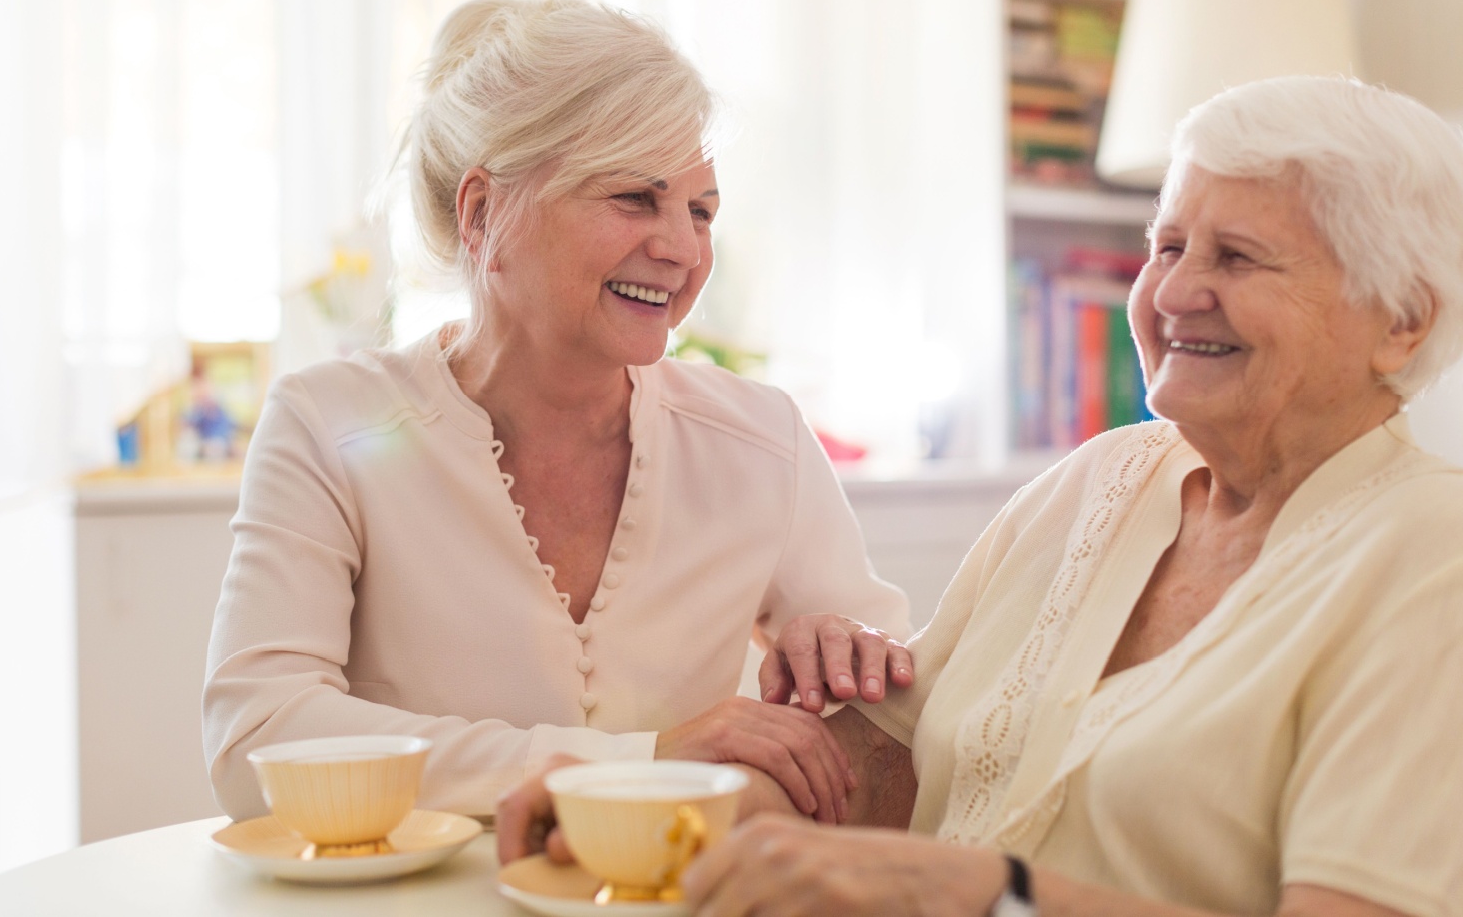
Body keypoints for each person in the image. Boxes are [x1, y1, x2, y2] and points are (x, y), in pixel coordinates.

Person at [500, 76, 1463, 917]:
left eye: (1238, 257)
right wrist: (641, 805)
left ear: (1402, 321)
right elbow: (882, 771)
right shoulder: (1102, 478)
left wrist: (983, 898)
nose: (1172, 293)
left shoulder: (1431, 561)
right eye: (1167, 247)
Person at [202, 0, 911, 822]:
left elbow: (898, 719)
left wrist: (833, 664)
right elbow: (259, 741)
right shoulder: (329, 424)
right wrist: (640, 765)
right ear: (483, 216)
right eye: (634, 199)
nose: (682, 248)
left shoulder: (762, 439)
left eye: (701, 210)